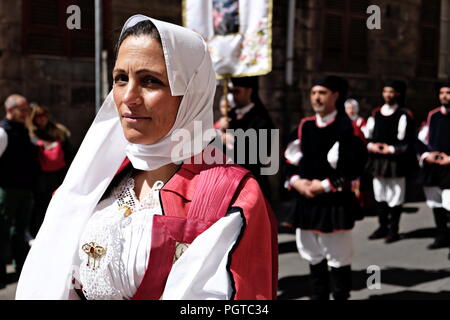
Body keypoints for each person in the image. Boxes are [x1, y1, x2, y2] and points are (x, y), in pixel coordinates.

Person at [16, 15, 278, 300]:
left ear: (190, 94)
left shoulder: (231, 196)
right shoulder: (93, 180)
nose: (128, 96)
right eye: (120, 79)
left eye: (150, 81)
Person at [284, 76, 367, 300]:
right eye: (313, 93)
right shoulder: (304, 126)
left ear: (335, 96)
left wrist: (324, 185)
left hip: (333, 203)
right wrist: (296, 182)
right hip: (306, 200)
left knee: (338, 258)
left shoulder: (346, 128)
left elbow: (355, 167)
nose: (316, 98)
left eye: (322, 93)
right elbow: (289, 162)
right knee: (313, 256)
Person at [364, 80, 417, 243]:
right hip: (378, 160)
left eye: (391, 91)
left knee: (395, 195)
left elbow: (407, 140)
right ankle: (382, 226)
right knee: (379, 193)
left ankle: (393, 230)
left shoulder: (404, 115)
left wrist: (392, 149)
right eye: (385, 91)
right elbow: (368, 135)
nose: (387, 95)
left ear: (397, 94)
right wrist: (373, 146)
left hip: (395, 161)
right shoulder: (376, 113)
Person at [0, 94, 38, 288]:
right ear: (10, 109)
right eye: (22, 110)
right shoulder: (2, 132)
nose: (26, 114)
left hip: (25, 189)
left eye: (26, 110)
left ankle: (22, 268)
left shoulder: (24, 130)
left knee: (20, 231)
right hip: (7, 190)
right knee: (2, 230)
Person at [217, 76, 275, 201]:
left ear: (249, 91)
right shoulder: (230, 115)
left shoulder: (261, 119)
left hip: (252, 180)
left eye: (237, 91)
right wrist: (221, 130)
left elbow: (260, 153)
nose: (233, 96)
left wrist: (232, 140)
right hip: (229, 180)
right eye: (232, 92)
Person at [26, 104, 73, 238]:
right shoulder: (30, 133)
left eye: (44, 114)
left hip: (59, 175)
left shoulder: (59, 131)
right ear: (33, 117)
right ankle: (38, 234)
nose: (42, 118)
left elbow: (69, 153)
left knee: (57, 204)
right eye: (38, 115)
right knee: (40, 206)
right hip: (40, 177)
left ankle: (56, 233)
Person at [416, 81, 450, 251]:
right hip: (434, 167)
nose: (445, 96)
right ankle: (442, 235)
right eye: (442, 92)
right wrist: (426, 155)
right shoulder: (433, 115)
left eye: (448, 92)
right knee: (436, 204)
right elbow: (421, 140)